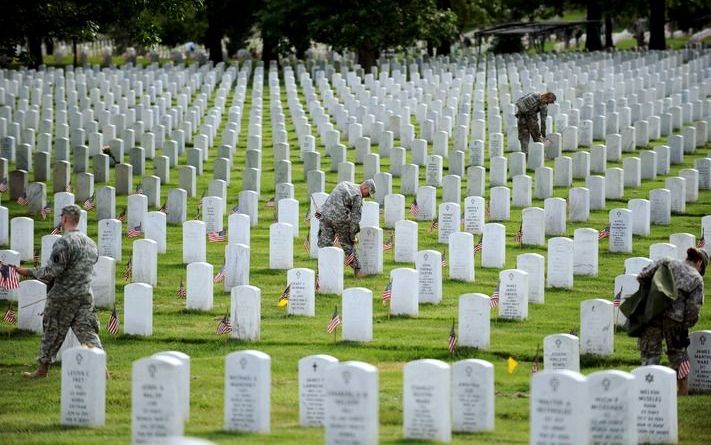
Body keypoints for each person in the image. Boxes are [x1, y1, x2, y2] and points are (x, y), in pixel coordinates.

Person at [16, 205, 102, 378]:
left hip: (62, 297)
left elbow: (51, 272)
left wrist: (27, 272)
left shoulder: (63, 242)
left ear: (64, 219)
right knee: (87, 333)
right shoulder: (91, 243)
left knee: (52, 332)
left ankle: (42, 370)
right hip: (85, 295)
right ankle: (100, 367)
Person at [633, 247, 708, 395]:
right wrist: (684, 325)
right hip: (675, 323)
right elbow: (693, 311)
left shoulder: (666, 262)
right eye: (702, 268)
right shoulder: (696, 278)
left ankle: (646, 391)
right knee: (678, 359)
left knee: (650, 356)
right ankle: (678, 394)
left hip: (652, 316)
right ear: (699, 262)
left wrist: (654, 297)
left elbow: (642, 276)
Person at [317, 179, 376, 277]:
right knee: (347, 244)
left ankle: (322, 272)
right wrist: (352, 236)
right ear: (365, 187)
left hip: (325, 215)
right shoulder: (358, 196)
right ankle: (358, 271)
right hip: (340, 219)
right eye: (368, 193)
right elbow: (355, 219)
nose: (367, 196)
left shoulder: (344, 183)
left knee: (324, 245)